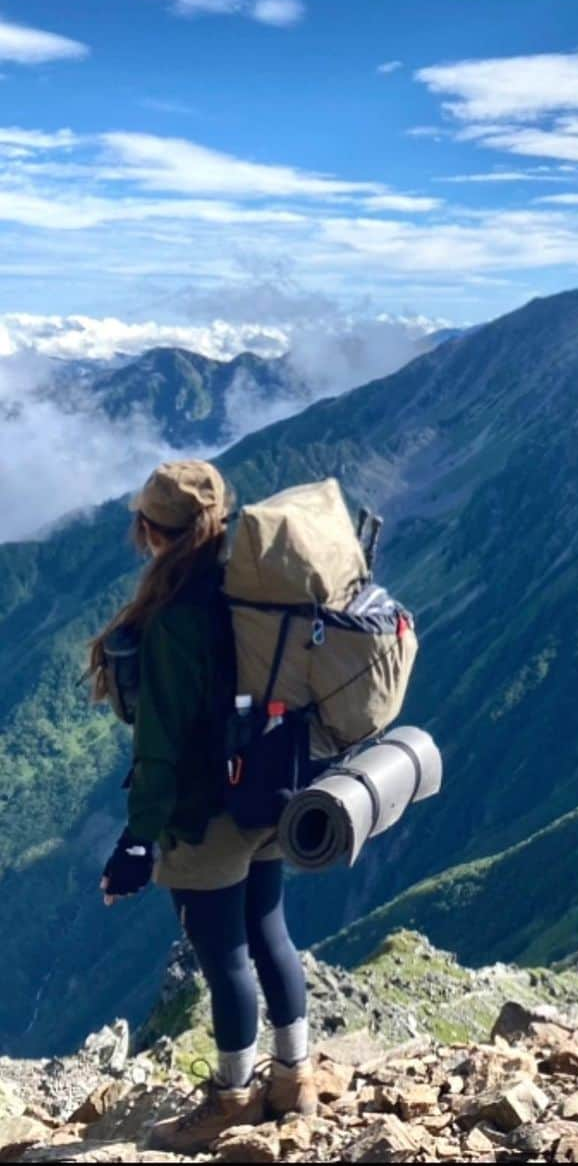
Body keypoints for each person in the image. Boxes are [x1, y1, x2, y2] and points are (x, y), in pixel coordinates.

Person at [89, 460, 316, 1154]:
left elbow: (160, 749)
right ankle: (295, 1078)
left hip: (206, 812)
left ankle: (231, 1100)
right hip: (271, 789)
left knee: (224, 959)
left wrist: (136, 842)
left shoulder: (174, 619)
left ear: (151, 531)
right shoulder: (250, 589)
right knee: (270, 933)